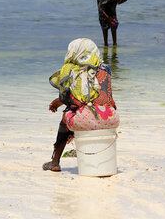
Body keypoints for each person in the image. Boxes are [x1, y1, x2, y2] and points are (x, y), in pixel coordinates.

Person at [43, 38, 119, 172]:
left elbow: (72, 100)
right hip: (111, 118)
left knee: (68, 114)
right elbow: (101, 95)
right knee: (82, 109)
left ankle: (55, 162)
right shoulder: (105, 69)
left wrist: (58, 102)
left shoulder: (72, 70)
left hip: (87, 121)